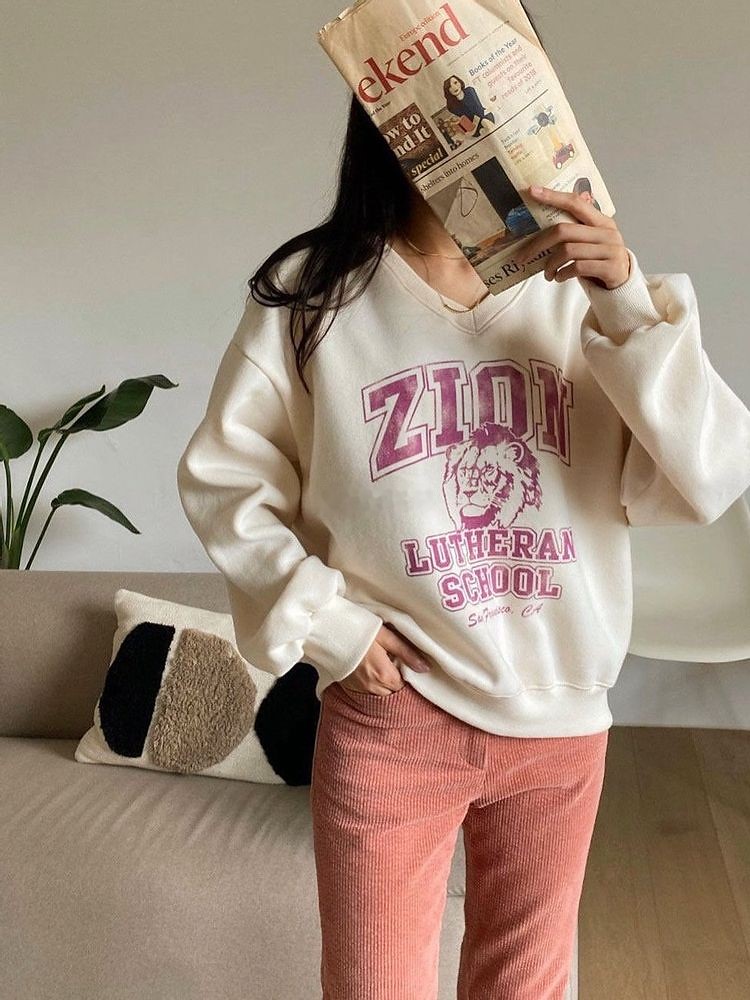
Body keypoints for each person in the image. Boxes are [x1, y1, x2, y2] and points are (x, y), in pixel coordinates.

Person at [176, 7, 750, 998]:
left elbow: (710, 473)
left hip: (560, 716)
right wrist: (330, 626)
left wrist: (625, 301)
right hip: (393, 714)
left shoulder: (587, 298)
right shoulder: (315, 297)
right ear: (388, 115)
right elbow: (226, 478)